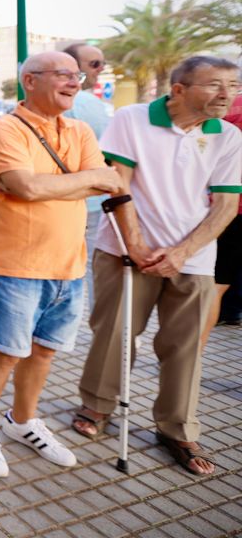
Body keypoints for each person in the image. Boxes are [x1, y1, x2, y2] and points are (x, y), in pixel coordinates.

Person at [72, 56, 241, 477]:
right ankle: (98, 404)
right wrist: (136, 244)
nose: (227, 94)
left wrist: (182, 252)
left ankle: (177, 428)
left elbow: (225, 204)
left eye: (233, 86)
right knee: (114, 333)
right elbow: (117, 182)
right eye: (215, 85)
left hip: (195, 256)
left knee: (185, 346)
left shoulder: (229, 135)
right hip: (124, 250)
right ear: (179, 89)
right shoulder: (132, 119)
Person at [0, 51, 120, 478]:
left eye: (78, 76)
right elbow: (25, 186)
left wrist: (53, 185)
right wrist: (84, 181)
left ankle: (23, 420)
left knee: (45, 351)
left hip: (70, 267)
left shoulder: (81, 130)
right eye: (64, 75)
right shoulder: (5, 130)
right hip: (16, 266)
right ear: (30, 81)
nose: (76, 82)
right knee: (6, 352)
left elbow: (104, 183)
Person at [62, 42, 113, 273]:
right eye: (94, 64)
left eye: (102, 64)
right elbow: (109, 154)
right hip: (91, 202)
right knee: (94, 271)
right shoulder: (88, 103)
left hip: (59, 200)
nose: (100, 69)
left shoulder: (54, 102)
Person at [203, 91, 242, 343]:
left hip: (224, 205)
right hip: (230, 205)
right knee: (219, 282)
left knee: (215, 282)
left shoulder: (231, 106)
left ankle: (188, 358)